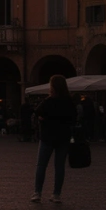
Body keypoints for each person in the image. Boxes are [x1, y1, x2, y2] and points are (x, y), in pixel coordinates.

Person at [32, 75, 77, 203]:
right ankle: (56, 194)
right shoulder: (69, 102)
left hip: (47, 137)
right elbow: (74, 119)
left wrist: (44, 119)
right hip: (63, 137)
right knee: (59, 167)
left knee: (41, 165)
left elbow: (37, 112)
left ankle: (37, 192)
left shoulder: (48, 101)